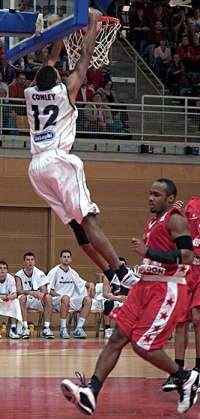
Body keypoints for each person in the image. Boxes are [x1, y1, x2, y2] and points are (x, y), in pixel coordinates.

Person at [24, 8, 139, 295]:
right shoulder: (66, 91)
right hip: (58, 161)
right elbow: (85, 57)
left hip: (36, 168)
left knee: (78, 227)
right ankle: (123, 274)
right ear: (57, 78)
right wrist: (92, 23)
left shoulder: (29, 93)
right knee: (89, 219)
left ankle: (110, 275)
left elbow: (49, 62)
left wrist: (59, 32)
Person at [61, 178, 199, 416]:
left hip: (166, 289)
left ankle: (186, 378)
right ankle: (91, 392)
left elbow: (186, 256)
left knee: (141, 345)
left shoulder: (176, 219)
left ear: (170, 199)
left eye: (157, 195)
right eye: (150, 193)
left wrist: (148, 253)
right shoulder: (151, 222)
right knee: (117, 337)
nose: (150, 198)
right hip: (144, 287)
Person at [162, 197, 200, 392]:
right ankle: (177, 372)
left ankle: (199, 369)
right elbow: (176, 233)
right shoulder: (192, 204)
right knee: (181, 321)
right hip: (187, 268)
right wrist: (174, 214)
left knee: (197, 317)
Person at [48, 249, 95, 339]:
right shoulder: (54, 271)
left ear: (71, 259)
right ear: (60, 259)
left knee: (88, 300)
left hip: (71, 299)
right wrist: (59, 296)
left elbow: (82, 283)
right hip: (57, 300)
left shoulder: (73, 273)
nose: (66, 259)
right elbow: (48, 289)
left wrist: (91, 284)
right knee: (65, 298)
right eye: (64, 257)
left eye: (68, 257)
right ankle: (63, 328)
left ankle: (78, 328)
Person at [15, 252, 55, 339]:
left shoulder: (39, 273)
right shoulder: (19, 275)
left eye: (32, 260)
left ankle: (46, 328)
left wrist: (42, 293)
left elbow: (44, 288)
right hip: (25, 298)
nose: (30, 262)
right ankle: (25, 328)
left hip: (37, 298)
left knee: (48, 297)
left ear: (34, 262)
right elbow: (18, 290)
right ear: (24, 262)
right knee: (22, 298)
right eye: (28, 260)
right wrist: (29, 292)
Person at [102, 257, 128, 339]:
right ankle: (107, 329)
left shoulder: (129, 277)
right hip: (113, 298)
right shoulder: (108, 276)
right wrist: (117, 299)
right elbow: (105, 294)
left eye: (123, 265)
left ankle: (126, 329)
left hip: (126, 299)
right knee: (108, 304)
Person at [0, 260, 22, 339]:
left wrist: (10, 297)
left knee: (15, 301)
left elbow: (15, 293)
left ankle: (13, 329)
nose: (2, 270)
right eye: (0, 268)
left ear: (7, 270)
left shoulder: (10, 278)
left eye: (4, 268)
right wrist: (1, 297)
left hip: (7, 299)